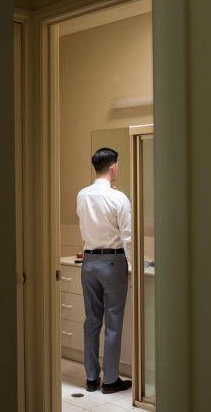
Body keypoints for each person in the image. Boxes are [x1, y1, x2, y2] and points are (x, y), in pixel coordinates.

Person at [76, 147, 133, 394]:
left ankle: (91, 377)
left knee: (91, 321)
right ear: (113, 167)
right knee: (113, 322)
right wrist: (131, 266)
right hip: (112, 263)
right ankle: (110, 380)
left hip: (88, 263)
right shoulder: (119, 198)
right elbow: (127, 237)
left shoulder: (82, 195)